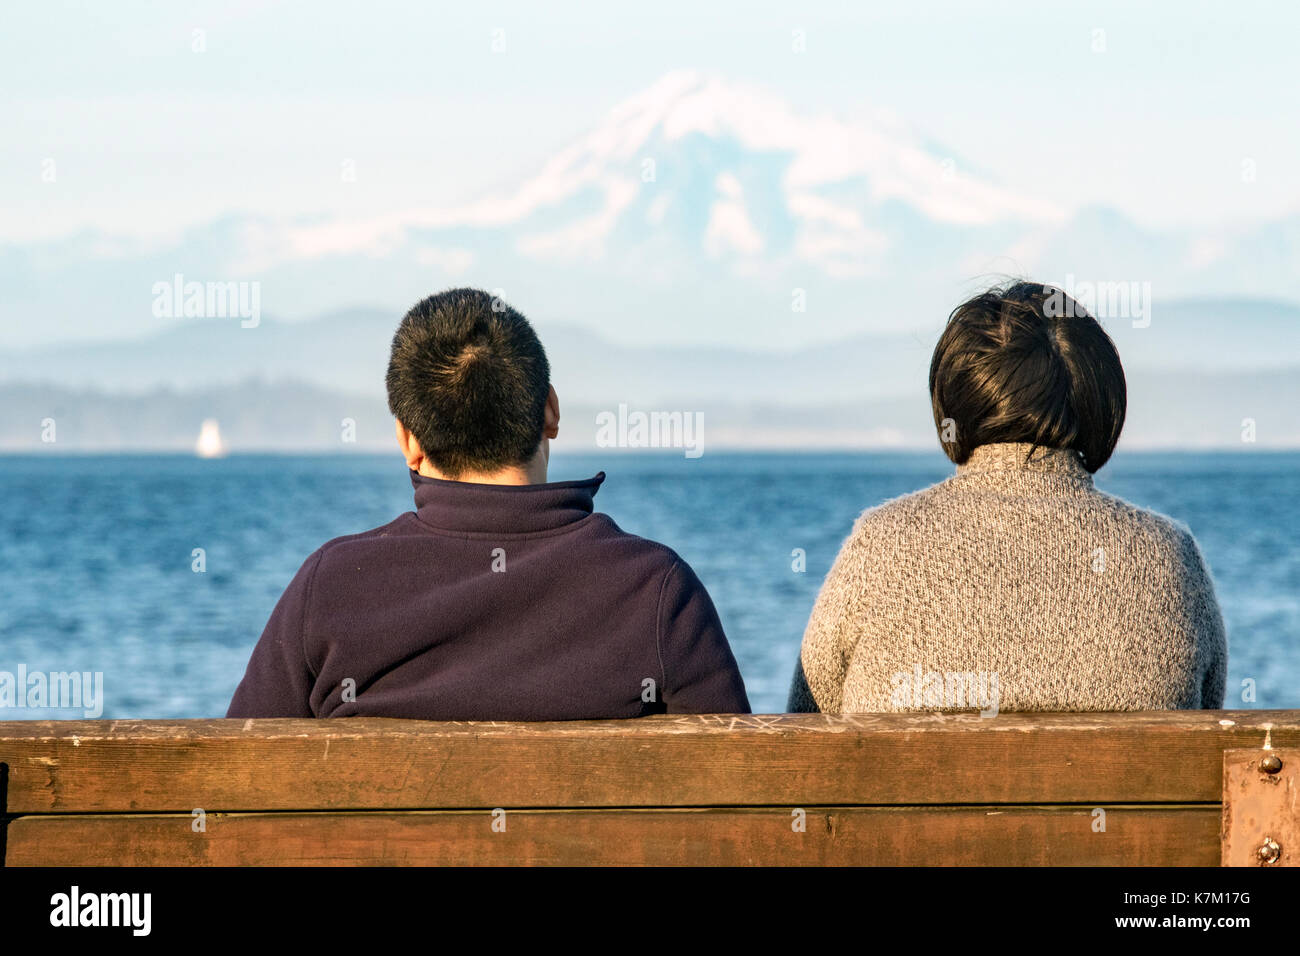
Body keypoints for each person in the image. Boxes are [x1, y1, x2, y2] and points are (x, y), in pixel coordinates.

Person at [228, 288, 750, 719]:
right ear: (551, 410)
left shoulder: (331, 586)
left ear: (407, 439)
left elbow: (232, 789)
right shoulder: (655, 589)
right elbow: (741, 799)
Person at [789, 280, 1227, 714]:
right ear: (1099, 395)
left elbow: (804, 733)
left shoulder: (878, 545)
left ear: (953, 400)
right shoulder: (1170, 556)